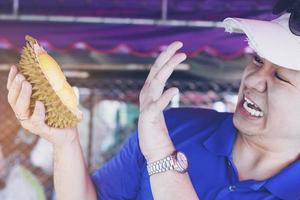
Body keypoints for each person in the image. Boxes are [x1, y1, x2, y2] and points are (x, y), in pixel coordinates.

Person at [6, 10, 300, 200]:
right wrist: (65, 140)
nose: (254, 80)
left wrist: (160, 155)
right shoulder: (176, 126)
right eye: (258, 60)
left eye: (281, 77)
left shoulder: (160, 139)